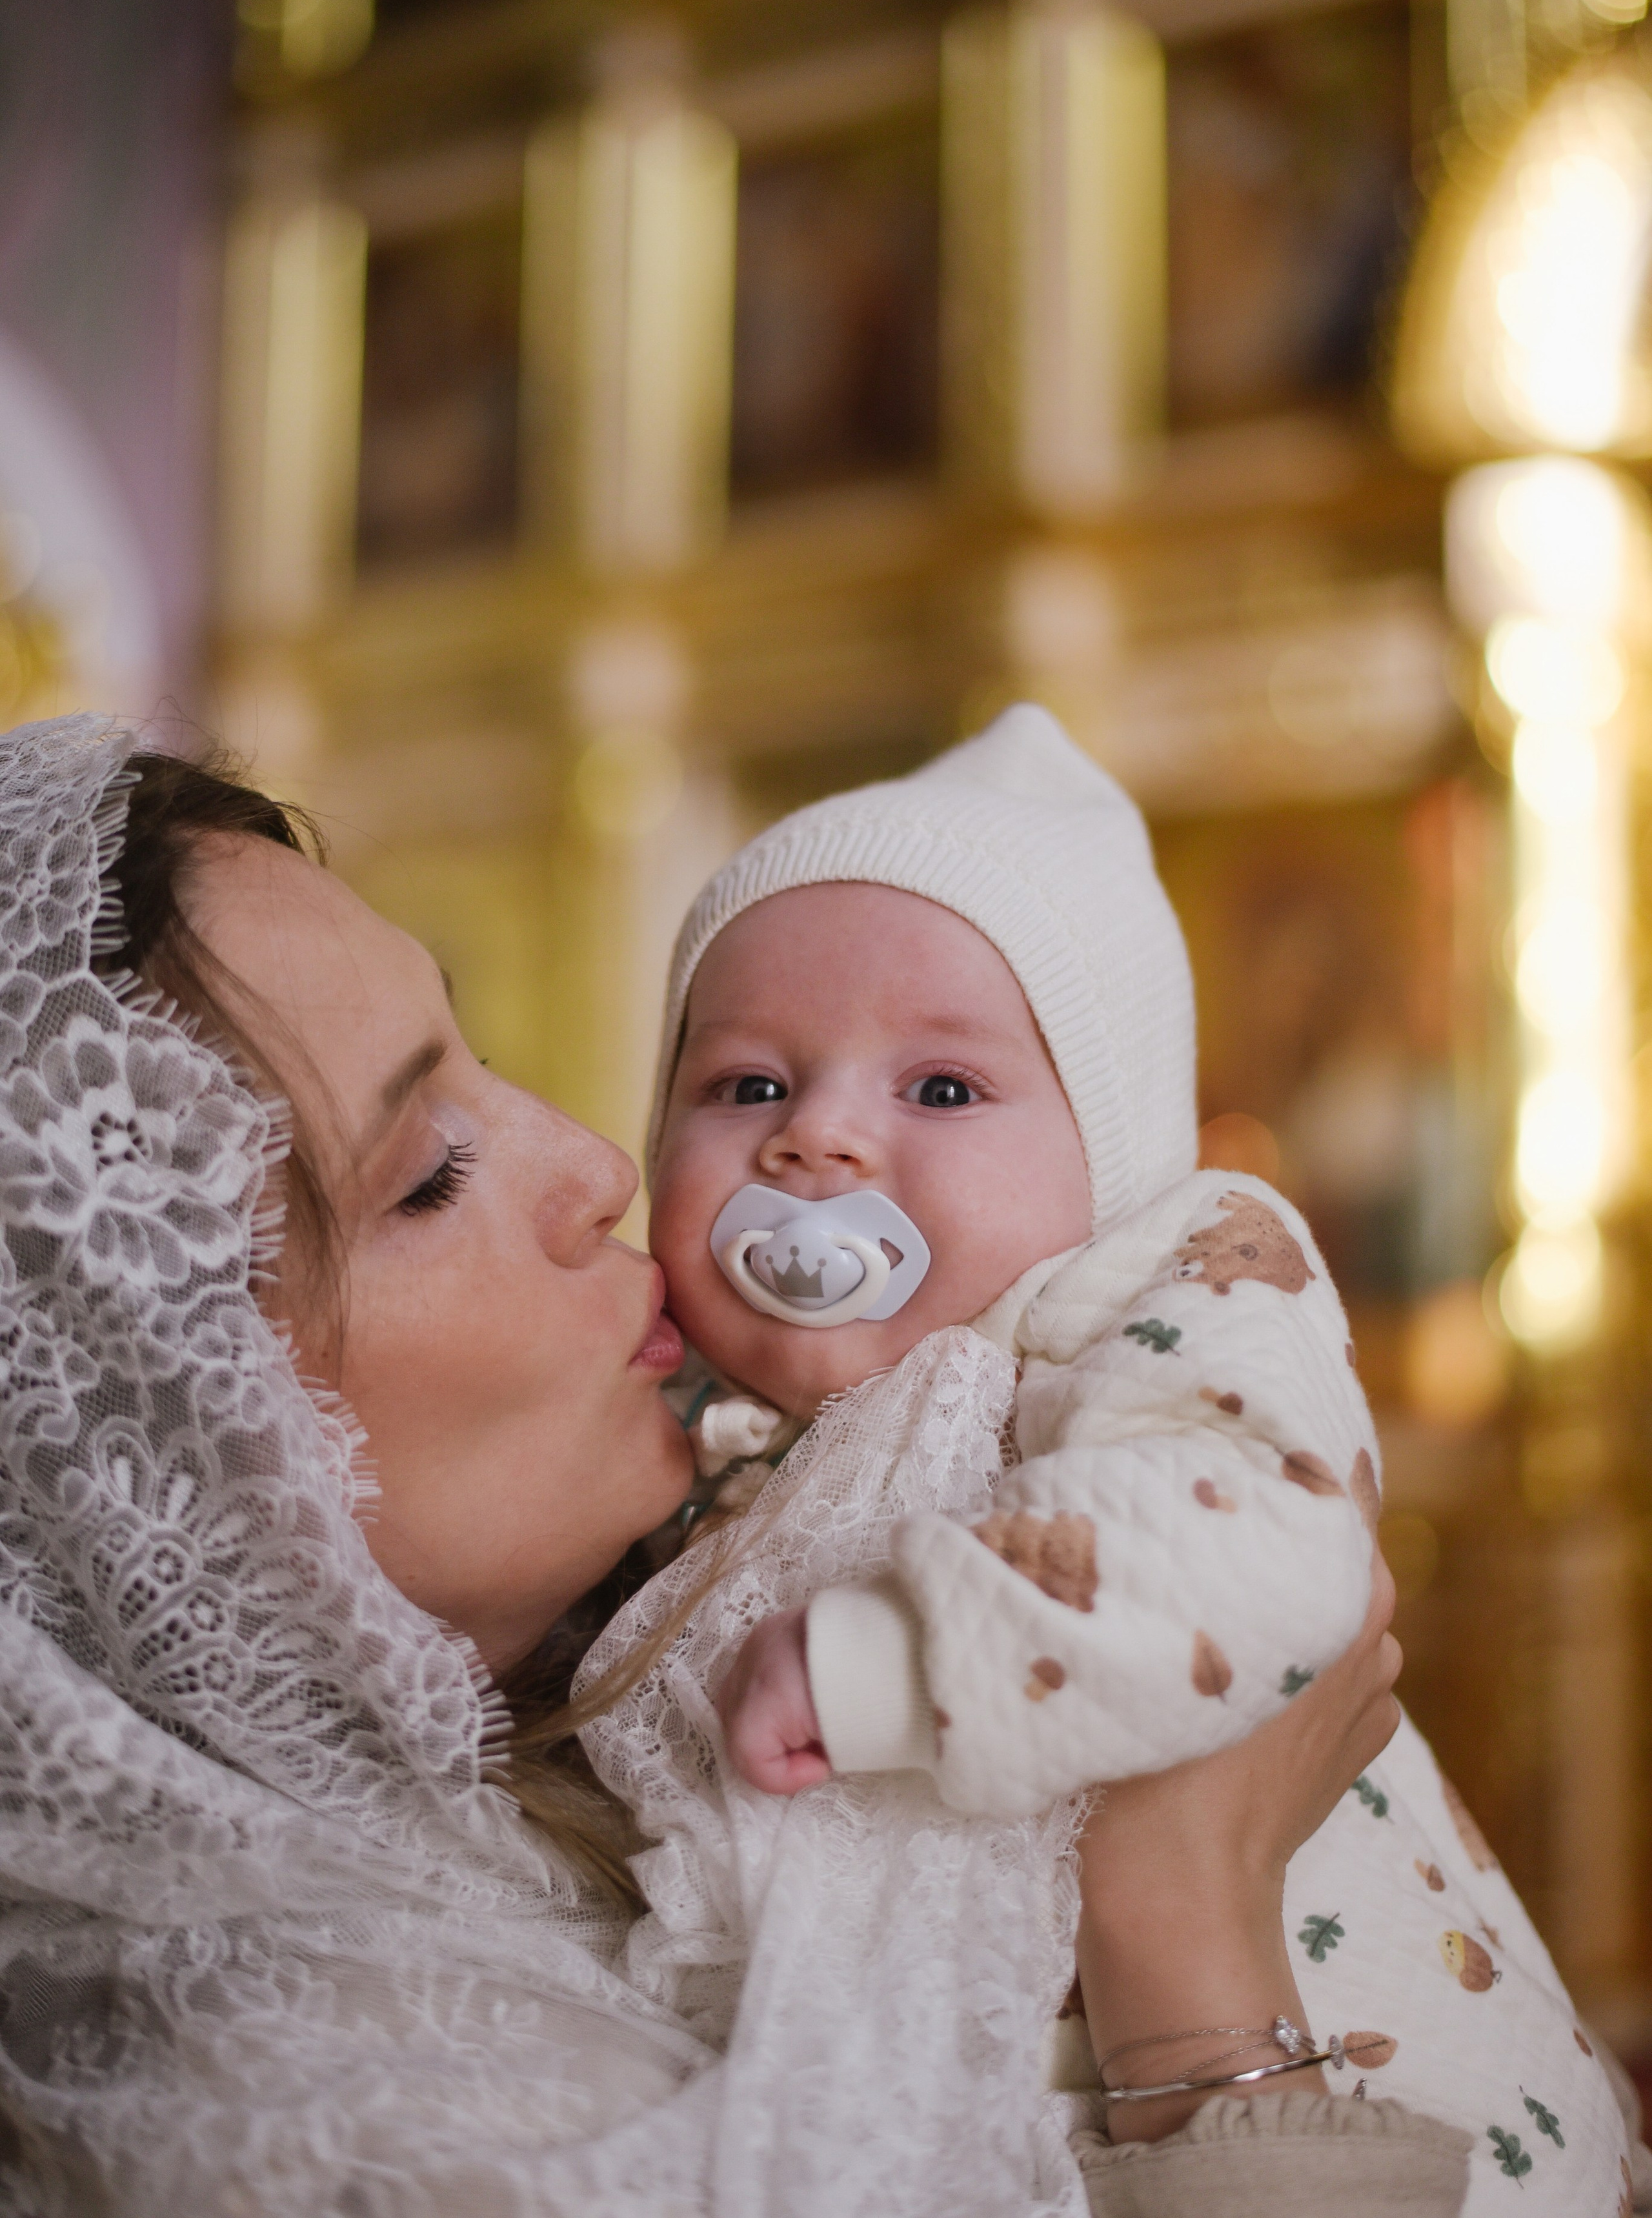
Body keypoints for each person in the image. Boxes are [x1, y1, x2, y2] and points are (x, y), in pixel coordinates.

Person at [0, 712, 1582, 2215]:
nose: (596, 1165)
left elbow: (1253, 1546)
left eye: (942, 1089)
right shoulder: (318, 2108)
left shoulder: (1152, 1316)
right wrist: (1188, 1952)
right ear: (147, 1426)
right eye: (429, 1173)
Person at [587, 704, 1637, 2215]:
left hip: (1370, 2107)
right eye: (746, 1084)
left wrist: (888, 1658)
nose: (816, 1140)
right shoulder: (688, 1442)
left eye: (940, 1089)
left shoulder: (1175, 1284)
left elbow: (1266, 1544)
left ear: (1111, 1157)